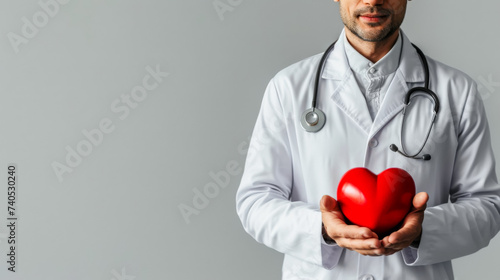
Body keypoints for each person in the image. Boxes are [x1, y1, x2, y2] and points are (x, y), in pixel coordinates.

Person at [236, 0, 500, 279]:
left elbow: (486, 206)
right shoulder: (288, 88)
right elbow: (256, 201)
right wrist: (322, 228)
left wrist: (422, 231)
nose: (373, 1)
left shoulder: (457, 91)